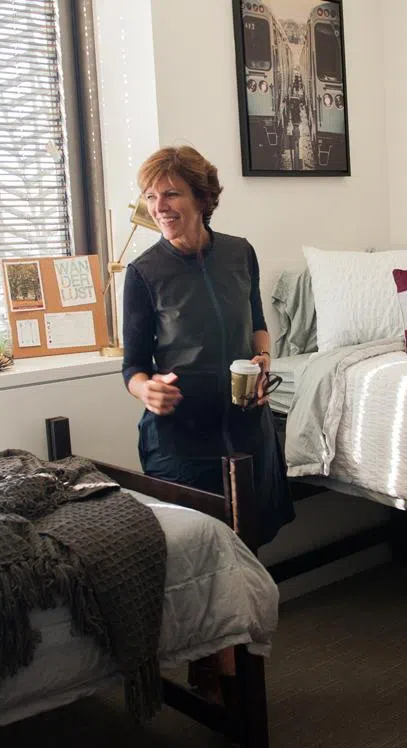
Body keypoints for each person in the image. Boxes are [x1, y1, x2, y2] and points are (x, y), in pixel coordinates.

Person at [120, 145, 295, 706]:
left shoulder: (240, 253)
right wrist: (146, 390)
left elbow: (259, 325)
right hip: (181, 437)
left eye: (170, 193)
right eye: (151, 196)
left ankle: (224, 664)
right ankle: (225, 677)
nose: (160, 206)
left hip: (245, 428)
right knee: (200, 554)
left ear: (201, 196)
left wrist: (263, 358)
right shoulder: (145, 272)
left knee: (244, 547)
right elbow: (133, 365)